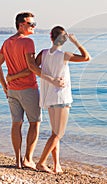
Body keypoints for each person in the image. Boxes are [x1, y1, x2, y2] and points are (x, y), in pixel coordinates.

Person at [0, 12, 63, 169]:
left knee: (16, 123)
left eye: (34, 23)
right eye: (31, 24)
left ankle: (18, 161)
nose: (34, 26)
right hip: (28, 89)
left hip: (12, 90)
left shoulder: (7, 42)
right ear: (21, 25)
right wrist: (52, 80)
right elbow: (31, 67)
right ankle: (28, 159)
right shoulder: (27, 42)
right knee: (34, 123)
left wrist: (5, 85)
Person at [36, 26, 91, 174]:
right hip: (61, 97)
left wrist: (48, 78)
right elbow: (87, 57)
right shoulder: (64, 55)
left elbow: (33, 68)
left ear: (51, 37)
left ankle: (56, 165)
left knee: (55, 133)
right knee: (58, 134)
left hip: (49, 97)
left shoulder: (43, 53)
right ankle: (41, 162)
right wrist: (76, 42)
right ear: (64, 40)